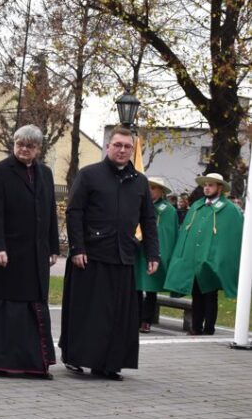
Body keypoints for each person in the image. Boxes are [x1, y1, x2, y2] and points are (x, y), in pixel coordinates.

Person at [59, 126, 159, 381]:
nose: (123, 150)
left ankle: (109, 364)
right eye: (118, 145)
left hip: (123, 256)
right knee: (87, 312)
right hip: (90, 256)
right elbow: (74, 212)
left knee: (117, 316)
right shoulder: (89, 175)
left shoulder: (139, 182)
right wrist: (77, 248)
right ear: (108, 146)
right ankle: (76, 358)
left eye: (128, 146)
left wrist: (153, 254)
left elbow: (148, 220)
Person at [0, 125, 59, 379]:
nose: (24, 149)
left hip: (35, 254)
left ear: (38, 149)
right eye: (20, 144)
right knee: (4, 306)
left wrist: (53, 246)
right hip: (8, 253)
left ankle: (33, 362)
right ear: (14, 144)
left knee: (31, 306)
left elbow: (50, 211)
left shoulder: (45, 173)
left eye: (30, 146)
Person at [164, 173, 243, 335]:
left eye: (211, 185)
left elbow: (232, 237)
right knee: (196, 293)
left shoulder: (229, 209)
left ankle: (209, 328)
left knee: (209, 293)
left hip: (212, 259)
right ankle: (196, 327)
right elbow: (188, 232)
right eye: (205, 185)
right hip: (194, 258)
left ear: (220, 188)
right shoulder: (196, 206)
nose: (206, 187)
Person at [135, 177, 178, 334]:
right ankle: (135, 318)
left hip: (153, 252)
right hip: (138, 250)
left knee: (151, 289)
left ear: (161, 191)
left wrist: (161, 254)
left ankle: (146, 320)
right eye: (148, 187)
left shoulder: (168, 210)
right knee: (136, 287)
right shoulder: (138, 205)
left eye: (154, 188)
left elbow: (168, 234)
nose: (150, 191)